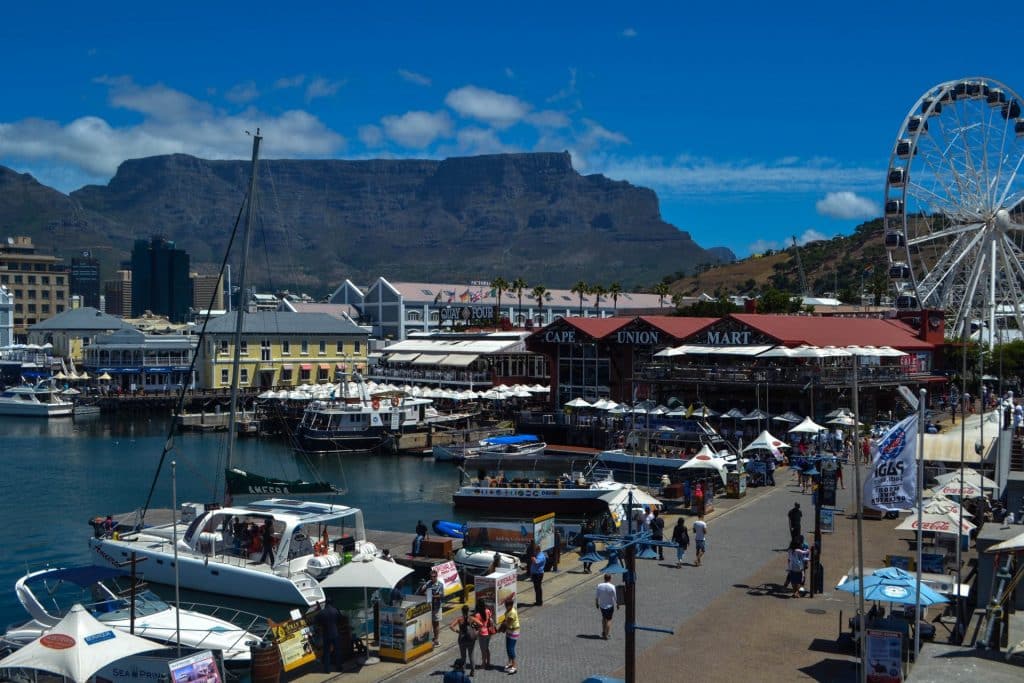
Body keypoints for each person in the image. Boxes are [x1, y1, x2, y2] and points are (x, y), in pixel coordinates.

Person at [449, 604, 477, 676]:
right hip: (470, 639)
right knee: (471, 655)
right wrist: (476, 631)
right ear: (468, 611)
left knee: (463, 656)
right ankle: (472, 671)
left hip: (462, 639)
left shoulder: (459, 619)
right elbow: (481, 624)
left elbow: (451, 626)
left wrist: (457, 631)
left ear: (462, 611)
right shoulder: (471, 618)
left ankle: (462, 671)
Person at [315, 599, 342, 673]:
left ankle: (327, 669)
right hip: (335, 633)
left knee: (326, 652)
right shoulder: (335, 610)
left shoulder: (322, 612)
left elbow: (316, 620)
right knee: (337, 651)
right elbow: (340, 619)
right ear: (332, 603)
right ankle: (339, 667)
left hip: (326, 634)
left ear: (326, 603)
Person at [420, 568, 445, 644]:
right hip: (428, 607)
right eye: (431, 576)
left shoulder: (440, 585)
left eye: (434, 576)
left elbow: (441, 596)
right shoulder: (428, 583)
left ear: (436, 576)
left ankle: (436, 639)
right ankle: (429, 637)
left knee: (436, 623)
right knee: (428, 623)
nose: (432, 578)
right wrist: (423, 589)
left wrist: (430, 596)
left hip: (436, 607)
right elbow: (422, 591)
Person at [499, 594, 519, 674]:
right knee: (508, 647)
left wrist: (500, 629)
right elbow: (505, 620)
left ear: (511, 605)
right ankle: (510, 662)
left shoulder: (512, 612)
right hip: (509, 631)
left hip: (514, 631)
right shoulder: (508, 610)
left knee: (511, 648)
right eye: (505, 605)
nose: (506, 606)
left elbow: (508, 623)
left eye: (507, 605)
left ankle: (514, 666)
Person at [474, 600, 496, 671]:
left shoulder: (477, 615)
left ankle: (483, 664)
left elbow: (477, 625)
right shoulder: (487, 611)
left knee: (483, 650)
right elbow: (491, 620)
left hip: (482, 634)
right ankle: (488, 662)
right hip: (488, 633)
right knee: (486, 648)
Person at [595, 573, 618, 640]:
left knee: (604, 618)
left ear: (604, 578)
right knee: (609, 620)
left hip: (602, 606)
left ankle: (603, 631)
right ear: (610, 578)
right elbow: (615, 597)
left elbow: (597, 596)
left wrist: (596, 603)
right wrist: (617, 604)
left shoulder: (599, 586)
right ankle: (606, 635)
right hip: (610, 606)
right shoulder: (612, 586)